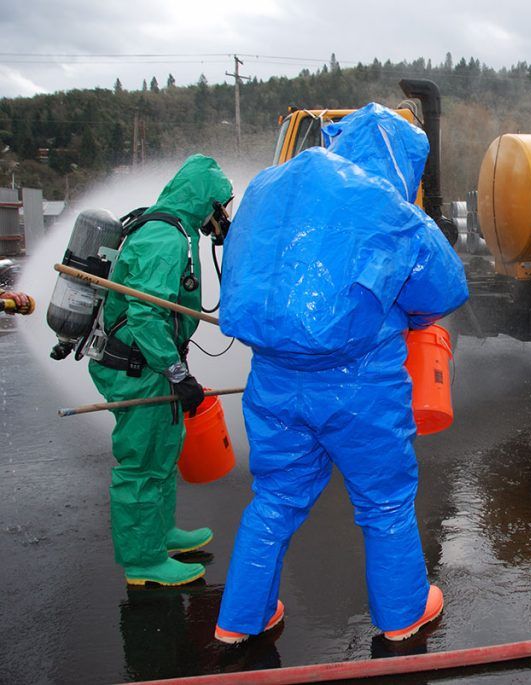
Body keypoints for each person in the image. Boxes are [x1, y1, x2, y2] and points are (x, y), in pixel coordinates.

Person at [215, 103, 469, 644]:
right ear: (400, 159)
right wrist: (405, 312)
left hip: (273, 381)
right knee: (384, 501)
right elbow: (445, 290)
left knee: (275, 498)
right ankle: (403, 615)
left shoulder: (266, 189)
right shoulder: (387, 206)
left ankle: (240, 620)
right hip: (360, 387)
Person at [88, 154, 233, 586]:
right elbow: (146, 314)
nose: (222, 216)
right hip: (138, 366)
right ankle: (143, 560)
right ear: (205, 199)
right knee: (142, 460)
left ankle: (160, 532)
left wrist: (174, 367)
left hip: (151, 363)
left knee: (164, 448)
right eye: (221, 205)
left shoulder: (176, 230)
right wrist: (175, 372)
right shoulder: (164, 237)